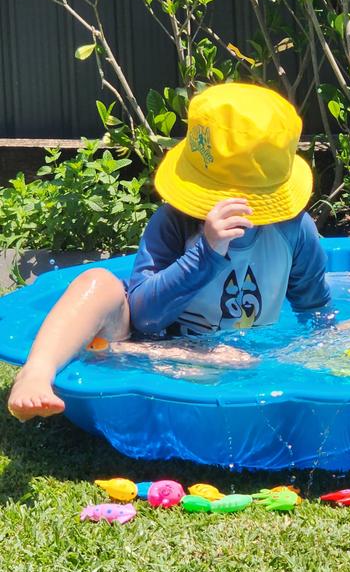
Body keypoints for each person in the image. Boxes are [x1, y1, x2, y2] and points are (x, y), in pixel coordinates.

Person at [8, 83, 331, 421]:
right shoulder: (176, 222)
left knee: (237, 363)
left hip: (225, 363)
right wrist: (206, 253)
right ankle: (37, 371)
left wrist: (333, 348)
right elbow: (145, 316)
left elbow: (316, 311)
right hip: (154, 342)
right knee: (97, 282)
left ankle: (118, 354)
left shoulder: (294, 231)